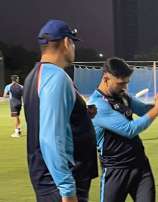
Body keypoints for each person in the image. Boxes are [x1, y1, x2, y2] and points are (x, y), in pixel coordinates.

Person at [23, 19, 98, 202]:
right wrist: (67, 189)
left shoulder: (35, 76)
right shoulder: (56, 77)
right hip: (60, 183)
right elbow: (50, 137)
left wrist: (82, 115)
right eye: (73, 43)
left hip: (47, 179)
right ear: (66, 42)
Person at [88, 57, 158, 202]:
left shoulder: (123, 96)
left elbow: (144, 110)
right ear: (106, 78)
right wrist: (157, 110)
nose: (125, 87)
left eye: (126, 83)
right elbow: (129, 130)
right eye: (121, 83)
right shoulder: (97, 105)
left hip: (140, 166)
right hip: (116, 170)